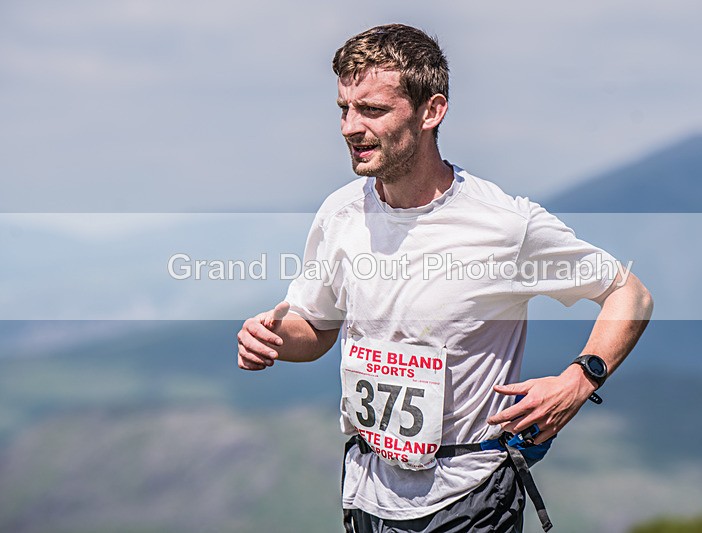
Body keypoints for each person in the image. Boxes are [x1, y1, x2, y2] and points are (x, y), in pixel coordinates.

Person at [237, 23, 653, 533]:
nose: (349, 126)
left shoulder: (503, 224)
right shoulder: (339, 212)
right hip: (366, 493)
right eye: (344, 108)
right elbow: (318, 329)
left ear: (431, 111)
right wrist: (275, 339)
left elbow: (628, 293)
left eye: (371, 110)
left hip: (471, 496)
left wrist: (579, 380)